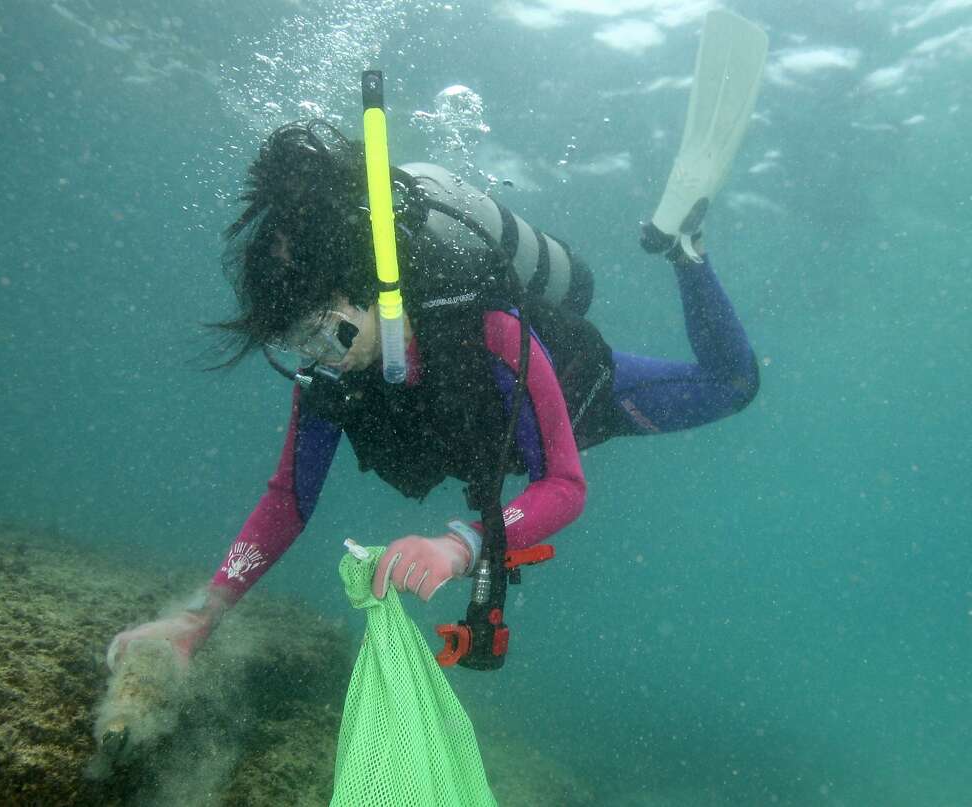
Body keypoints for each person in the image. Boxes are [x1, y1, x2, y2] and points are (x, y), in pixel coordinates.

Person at [105, 120, 759, 670]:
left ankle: (685, 251)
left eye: (325, 333)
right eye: (298, 341)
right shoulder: (333, 373)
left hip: (590, 396)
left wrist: (459, 544)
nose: (317, 358)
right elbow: (287, 499)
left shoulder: (486, 328)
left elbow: (564, 483)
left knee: (733, 385)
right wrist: (199, 618)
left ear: (373, 292)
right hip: (490, 434)